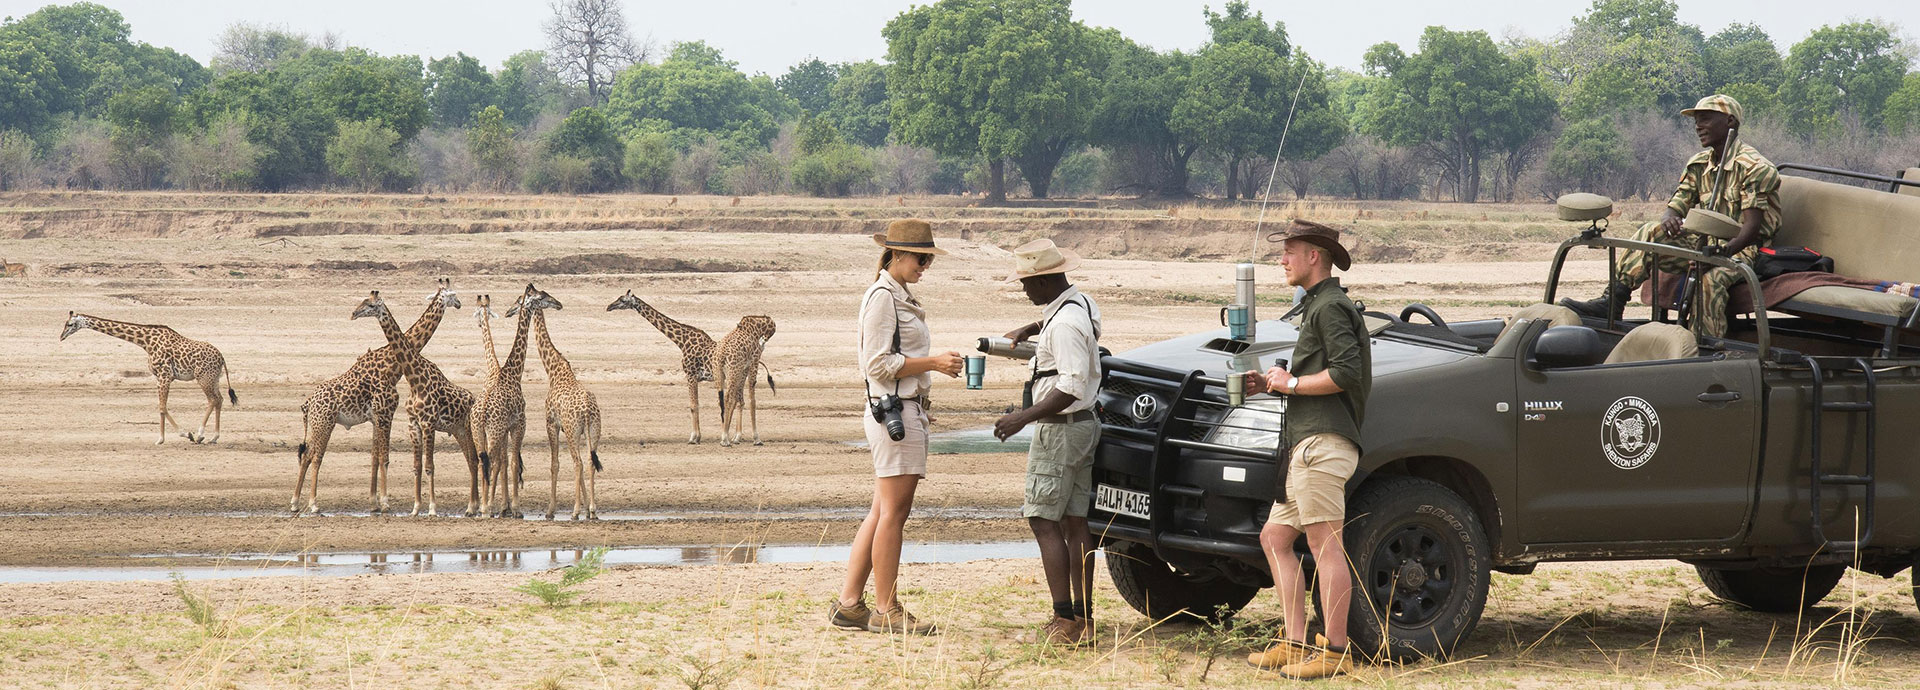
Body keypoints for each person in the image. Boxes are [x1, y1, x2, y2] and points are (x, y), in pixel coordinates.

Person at [1240, 219, 1371, 680]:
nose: (1283, 259)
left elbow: (1347, 373)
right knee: (1275, 539)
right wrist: (1273, 385)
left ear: (1315, 255)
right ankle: (1295, 641)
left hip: (1323, 444)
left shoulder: (1331, 307)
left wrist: (1291, 382)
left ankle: (1336, 650)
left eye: (1290, 251)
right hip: (1306, 444)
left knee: (1325, 545)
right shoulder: (1318, 305)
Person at [832, 219, 963, 636]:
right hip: (894, 413)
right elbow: (876, 364)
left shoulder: (895, 295)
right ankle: (886, 609)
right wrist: (934, 364)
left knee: (881, 511)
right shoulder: (883, 298)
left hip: (903, 410)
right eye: (921, 258)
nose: (925, 265)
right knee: (894, 514)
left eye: (928, 259)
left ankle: (850, 604)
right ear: (898, 255)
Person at [1560, 94, 1782, 338]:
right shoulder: (1699, 164)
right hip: (1706, 242)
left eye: (1705, 119)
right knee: (1650, 231)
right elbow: (1677, 203)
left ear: (1729, 121)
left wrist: (1719, 255)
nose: (1698, 126)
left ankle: (1705, 348)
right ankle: (1612, 302)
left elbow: (1750, 229)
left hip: (1743, 248)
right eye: (1696, 121)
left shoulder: (1755, 167)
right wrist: (1670, 218)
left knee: (1708, 283)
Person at [992, 239, 1103, 646]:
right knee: (1075, 522)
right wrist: (1033, 326)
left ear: (1045, 280)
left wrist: (1023, 416)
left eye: (1027, 284)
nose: (1025, 291)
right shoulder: (1082, 306)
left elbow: (1071, 386)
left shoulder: (1065, 326)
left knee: (1043, 520)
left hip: (1061, 429)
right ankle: (1083, 618)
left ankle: (1064, 619)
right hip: (1083, 428)